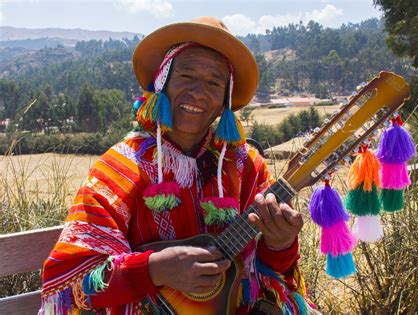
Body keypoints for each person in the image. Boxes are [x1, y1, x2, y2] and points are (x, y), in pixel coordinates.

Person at [40, 17, 315, 314]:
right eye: (186, 75)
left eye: (214, 82)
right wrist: (153, 269)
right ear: (162, 82)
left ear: (226, 100)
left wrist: (280, 245)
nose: (198, 92)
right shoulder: (118, 170)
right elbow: (71, 285)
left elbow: (270, 272)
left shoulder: (245, 165)